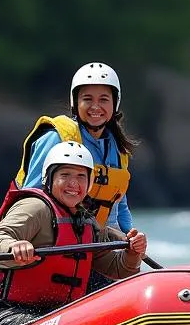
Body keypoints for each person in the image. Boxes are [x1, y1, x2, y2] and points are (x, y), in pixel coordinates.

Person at [0, 141, 147, 325]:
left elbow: (116, 269)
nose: (73, 183)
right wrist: (14, 246)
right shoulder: (34, 208)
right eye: (65, 175)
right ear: (49, 178)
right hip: (0, 313)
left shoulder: (86, 221)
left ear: (89, 183)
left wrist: (133, 254)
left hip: (51, 315)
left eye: (81, 176)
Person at [16, 62, 136, 232]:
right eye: (87, 99)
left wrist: (130, 238)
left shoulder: (118, 149)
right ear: (75, 102)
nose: (95, 106)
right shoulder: (56, 138)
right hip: (60, 237)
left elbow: (119, 207)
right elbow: (32, 198)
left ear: (114, 104)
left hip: (103, 241)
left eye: (104, 99)